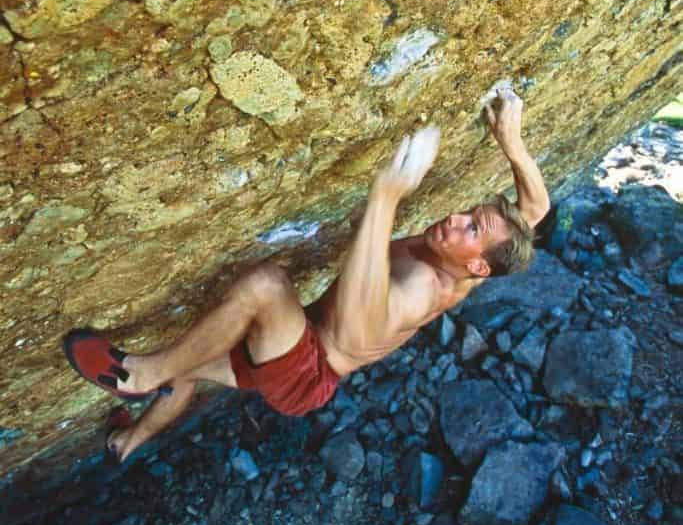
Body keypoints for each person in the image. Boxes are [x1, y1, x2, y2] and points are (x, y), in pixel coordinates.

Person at [64, 88, 550, 462]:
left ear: (478, 265)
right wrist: (512, 141)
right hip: (292, 346)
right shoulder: (482, 263)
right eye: (468, 212)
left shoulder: (424, 291)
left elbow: (356, 329)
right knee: (188, 363)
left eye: (470, 227)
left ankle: (141, 374)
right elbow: (536, 207)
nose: (455, 218)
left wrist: (385, 195)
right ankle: (125, 443)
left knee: (265, 287)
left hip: (304, 370)